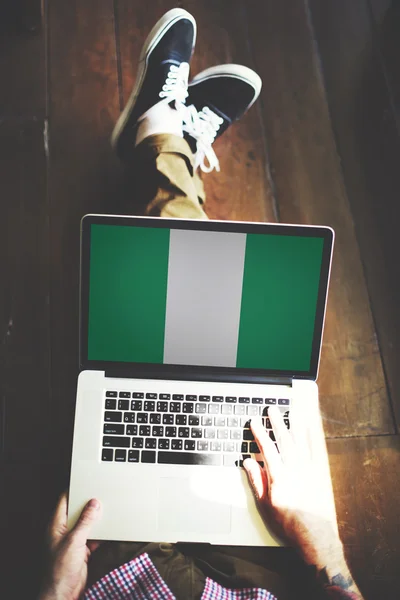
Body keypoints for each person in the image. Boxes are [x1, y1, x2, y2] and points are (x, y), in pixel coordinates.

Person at [38, 9, 364, 600]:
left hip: (123, 577)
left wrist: (54, 594)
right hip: (267, 579)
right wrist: (325, 551)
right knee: (200, 308)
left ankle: (163, 141)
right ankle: (167, 145)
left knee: (173, 290)